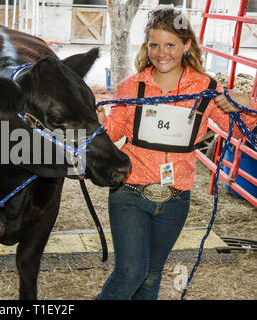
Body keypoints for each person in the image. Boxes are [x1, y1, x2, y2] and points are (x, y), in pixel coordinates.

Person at [95, 6, 256, 300]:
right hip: (130, 192)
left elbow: (238, 127)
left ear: (186, 45)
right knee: (130, 272)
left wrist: (244, 104)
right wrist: (98, 122)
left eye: (170, 44)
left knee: (152, 275)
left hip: (175, 197)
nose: (161, 52)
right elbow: (114, 130)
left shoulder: (205, 88)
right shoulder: (131, 86)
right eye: (154, 44)